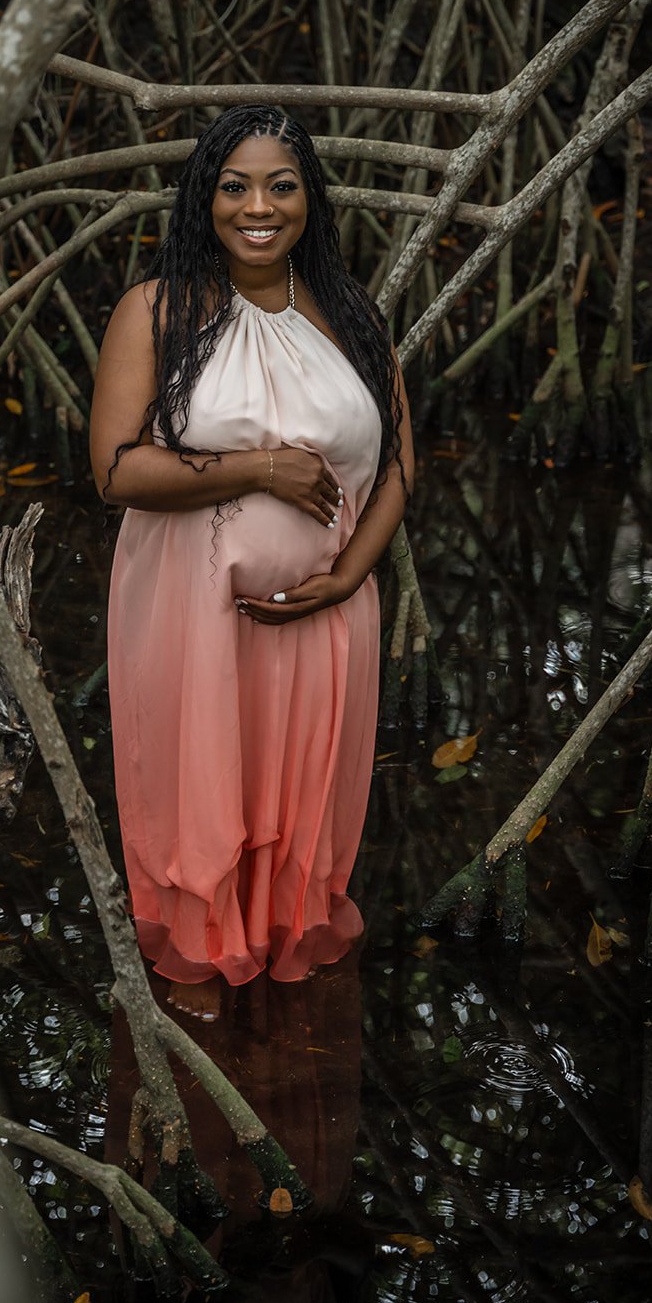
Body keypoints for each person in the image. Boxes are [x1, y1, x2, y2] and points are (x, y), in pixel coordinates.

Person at [90, 105, 412, 1021]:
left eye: (281, 185)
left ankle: (283, 971)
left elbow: (394, 466)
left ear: (310, 197)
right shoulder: (153, 311)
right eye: (235, 186)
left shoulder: (351, 315)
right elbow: (115, 471)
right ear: (205, 196)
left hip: (327, 614)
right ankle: (199, 969)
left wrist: (347, 577)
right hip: (191, 618)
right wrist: (260, 467)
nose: (257, 207)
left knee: (301, 792)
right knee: (199, 785)